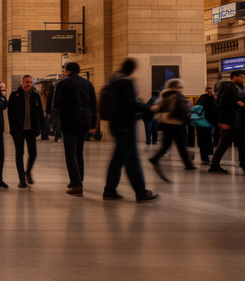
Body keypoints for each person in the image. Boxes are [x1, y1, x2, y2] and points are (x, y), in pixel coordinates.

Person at [100, 58, 158, 202]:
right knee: (122, 160)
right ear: (132, 69)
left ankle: (138, 191)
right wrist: (149, 108)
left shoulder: (112, 82)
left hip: (116, 125)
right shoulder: (126, 82)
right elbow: (130, 104)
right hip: (126, 126)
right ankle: (115, 190)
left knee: (129, 160)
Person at [51, 62, 97, 196]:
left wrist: (56, 121)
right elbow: (94, 104)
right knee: (79, 152)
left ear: (67, 70)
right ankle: (79, 179)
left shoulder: (62, 83)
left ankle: (76, 184)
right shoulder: (87, 83)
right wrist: (93, 124)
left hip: (69, 122)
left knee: (70, 153)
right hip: (85, 122)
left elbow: (56, 104)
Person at [209, 70, 245, 175]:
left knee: (243, 145)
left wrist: (242, 104)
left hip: (240, 120)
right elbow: (221, 105)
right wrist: (224, 121)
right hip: (230, 121)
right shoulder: (227, 87)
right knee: (224, 144)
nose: (243, 79)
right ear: (234, 76)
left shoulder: (240, 88)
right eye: (241, 77)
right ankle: (214, 165)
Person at [148, 78, 195, 182]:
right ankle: (187, 164)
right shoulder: (177, 95)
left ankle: (187, 164)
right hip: (176, 123)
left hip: (166, 123)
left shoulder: (164, 95)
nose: (182, 88)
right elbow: (181, 110)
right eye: (180, 86)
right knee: (181, 144)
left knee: (169, 145)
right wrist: (185, 116)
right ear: (176, 87)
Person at [7, 74, 44, 188]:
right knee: (19, 153)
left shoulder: (36, 96)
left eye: (30, 82)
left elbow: (40, 113)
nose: (29, 84)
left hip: (31, 130)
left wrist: (41, 127)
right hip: (18, 130)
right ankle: (21, 178)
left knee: (33, 153)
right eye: (27, 82)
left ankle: (28, 172)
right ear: (22, 82)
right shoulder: (15, 95)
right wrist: (13, 128)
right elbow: (10, 113)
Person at [191, 86, 217, 164]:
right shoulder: (212, 100)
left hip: (199, 122)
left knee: (201, 140)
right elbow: (213, 112)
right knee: (209, 140)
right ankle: (209, 155)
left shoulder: (200, 99)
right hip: (208, 123)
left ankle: (204, 156)